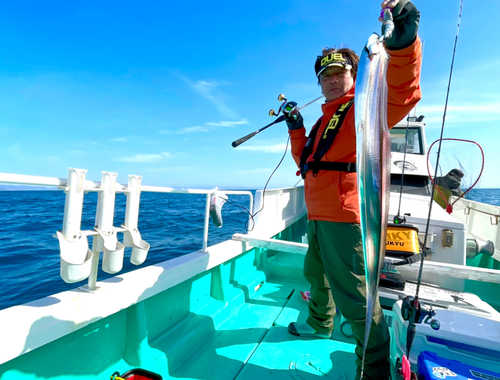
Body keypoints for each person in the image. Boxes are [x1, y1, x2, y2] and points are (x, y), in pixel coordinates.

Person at [284, 1, 422, 379]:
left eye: (339, 72)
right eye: (323, 75)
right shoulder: (322, 121)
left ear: (355, 74)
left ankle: (373, 368)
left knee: (359, 300)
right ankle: (319, 324)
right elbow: (308, 163)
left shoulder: (364, 106)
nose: (330, 79)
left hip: (345, 219)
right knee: (316, 275)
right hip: (316, 216)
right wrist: (296, 127)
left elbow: (401, 93)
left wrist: (404, 46)